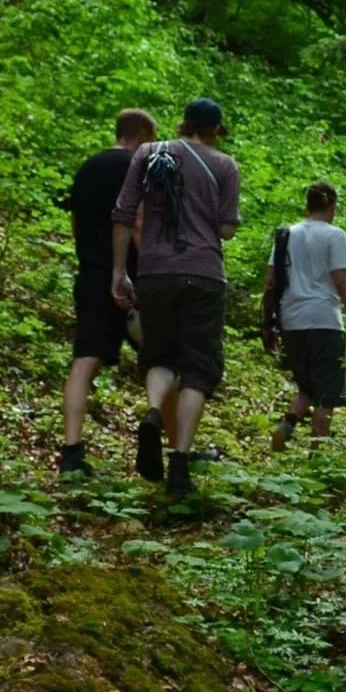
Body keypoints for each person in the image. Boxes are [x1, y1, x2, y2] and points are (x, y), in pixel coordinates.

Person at [111, 97, 241, 499]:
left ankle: (153, 411)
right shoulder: (224, 165)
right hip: (203, 274)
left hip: (154, 272)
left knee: (159, 356)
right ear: (216, 129)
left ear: (184, 123)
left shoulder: (148, 153)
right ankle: (180, 463)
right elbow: (226, 230)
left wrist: (119, 271)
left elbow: (123, 212)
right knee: (199, 368)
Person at [57, 108, 158, 477]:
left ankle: (71, 452)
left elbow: (75, 223)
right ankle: (177, 448)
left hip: (91, 274)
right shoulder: (136, 168)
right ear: (142, 135)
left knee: (85, 360)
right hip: (129, 280)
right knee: (163, 360)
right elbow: (136, 223)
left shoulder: (87, 168)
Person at [269, 181, 346, 451]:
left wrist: (269, 322)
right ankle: (317, 451)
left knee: (306, 386)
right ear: (332, 206)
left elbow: (271, 281)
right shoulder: (335, 235)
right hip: (324, 320)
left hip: (291, 320)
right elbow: (341, 281)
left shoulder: (287, 235)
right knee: (327, 392)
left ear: (307, 205)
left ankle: (287, 424)